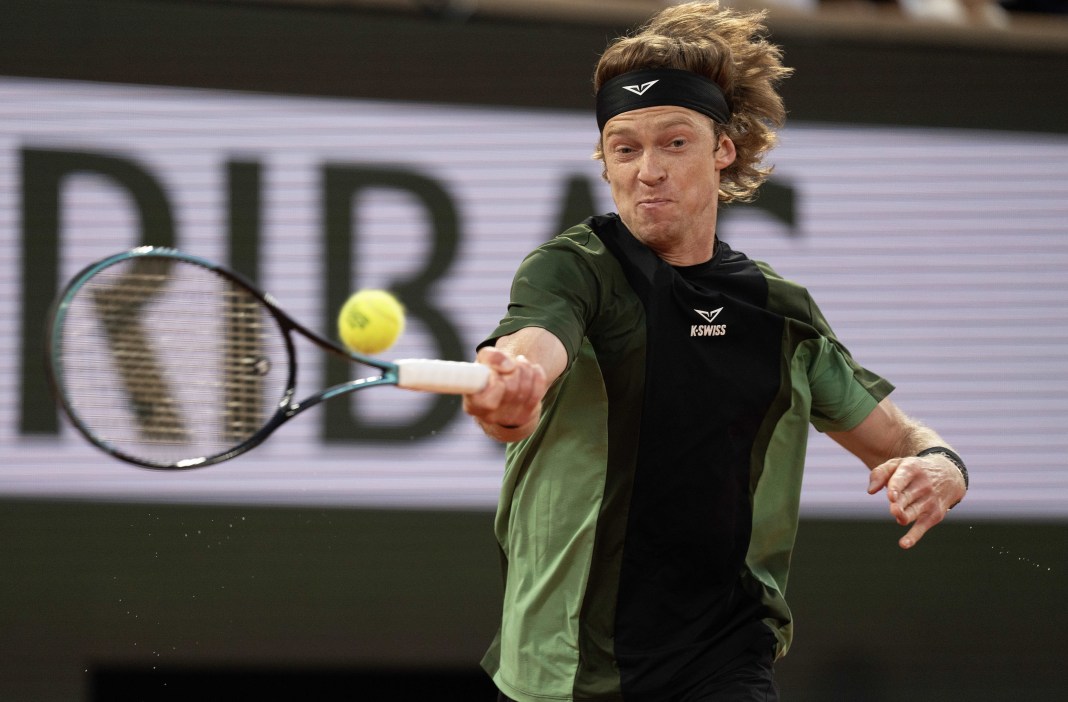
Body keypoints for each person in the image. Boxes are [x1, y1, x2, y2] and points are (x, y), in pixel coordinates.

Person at [462, 2, 969, 700]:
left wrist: (940, 467)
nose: (647, 171)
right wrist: (513, 392)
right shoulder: (573, 268)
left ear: (722, 148)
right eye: (624, 147)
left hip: (725, 654)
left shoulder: (779, 313)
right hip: (567, 664)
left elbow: (899, 443)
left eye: (673, 143)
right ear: (606, 162)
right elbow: (532, 355)